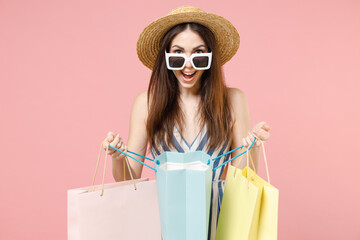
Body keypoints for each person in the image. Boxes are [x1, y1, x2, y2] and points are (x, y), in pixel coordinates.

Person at [103, 6, 270, 240]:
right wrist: (118, 156)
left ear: (210, 58)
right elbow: (128, 180)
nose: (188, 65)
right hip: (168, 224)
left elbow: (242, 178)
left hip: (221, 224)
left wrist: (252, 147)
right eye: (178, 54)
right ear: (167, 58)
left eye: (199, 54)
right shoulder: (147, 103)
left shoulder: (233, 100)